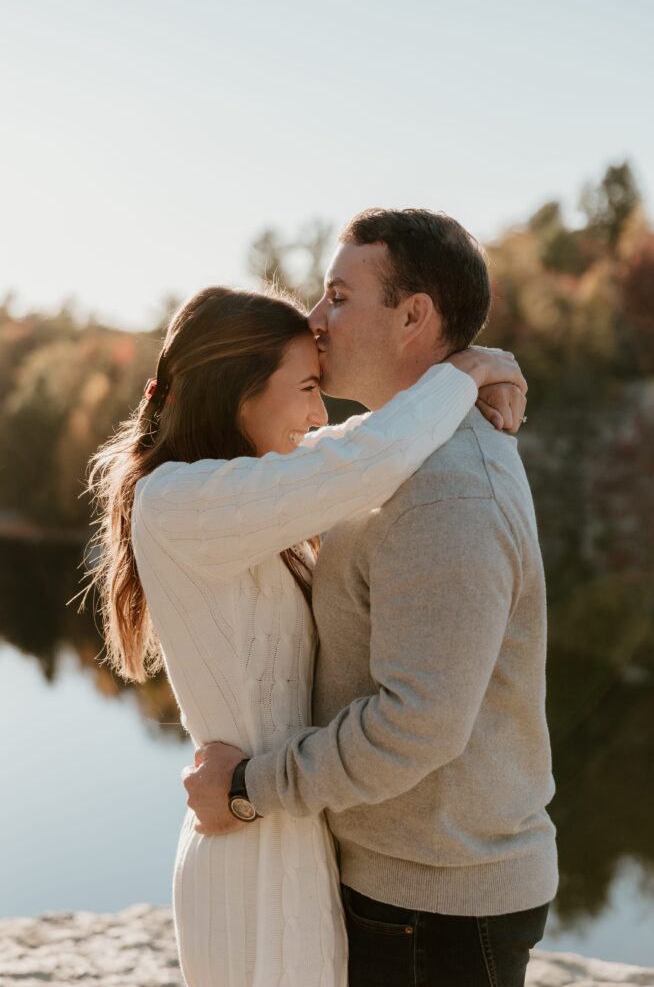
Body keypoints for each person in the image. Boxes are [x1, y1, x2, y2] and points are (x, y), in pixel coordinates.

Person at [86, 278, 527, 987]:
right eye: (306, 387)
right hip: (248, 846)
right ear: (239, 392)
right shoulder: (181, 503)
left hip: (284, 822)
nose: (321, 411)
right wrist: (464, 372)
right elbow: (368, 458)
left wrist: (475, 364)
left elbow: (353, 446)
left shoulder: (249, 485)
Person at [184, 209, 558, 987]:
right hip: (403, 884)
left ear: (413, 315)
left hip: (440, 905)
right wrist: (476, 368)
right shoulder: (383, 459)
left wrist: (250, 789)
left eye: (338, 297)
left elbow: (414, 725)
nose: (315, 321)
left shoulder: (448, 492)